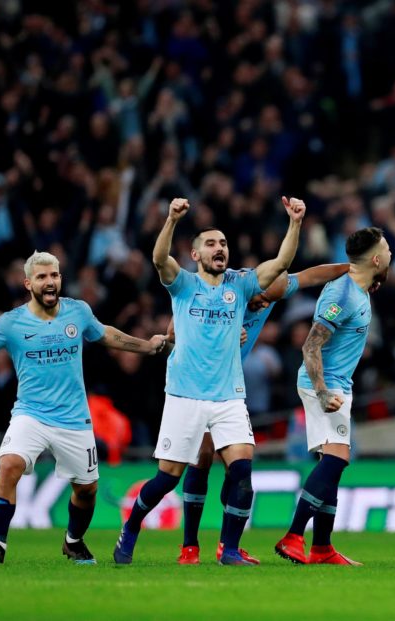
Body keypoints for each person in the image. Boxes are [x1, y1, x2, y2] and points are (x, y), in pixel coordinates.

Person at [114, 196, 304, 566]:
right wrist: (171, 219)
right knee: (167, 479)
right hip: (184, 396)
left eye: (224, 243)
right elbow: (159, 258)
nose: (220, 248)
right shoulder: (183, 284)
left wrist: (294, 222)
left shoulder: (241, 285)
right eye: (212, 244)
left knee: (243, 471)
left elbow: (281, 263)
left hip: (228, 397)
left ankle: (229, 550)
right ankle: (132, 525)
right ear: (195, 254)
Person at [0, 250, 167, 565]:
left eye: (54, 275)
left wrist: (146, 346)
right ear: (28, 283)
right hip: (30, 414)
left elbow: (106, 334)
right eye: (42, 277)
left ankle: (73, 541)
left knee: (87, 490)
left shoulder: (78, 311)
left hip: (74, 419)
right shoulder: (10, 323)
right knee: (8, 465)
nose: (49, 282)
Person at [175, 262, 350, 565]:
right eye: (261, 297)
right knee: (201, 457)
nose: (263, 304)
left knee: (237, 468)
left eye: (270, 300)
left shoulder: (274, 286)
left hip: (231, 388)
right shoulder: (224, 289)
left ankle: (226, 545)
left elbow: (312, 275)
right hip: (199, 381)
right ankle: (189, 546)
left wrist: (353, 266)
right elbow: (174, 329)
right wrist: (223, 331)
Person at [274, 226, 391, 566]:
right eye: (386, 249)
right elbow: (311, 345)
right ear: (375, 259)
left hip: (340, 384)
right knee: (337, 459)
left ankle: (322, 547)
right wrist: (323, 393)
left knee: (333, 466)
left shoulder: (359, 287)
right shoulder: (342, 295)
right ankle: (293, 535)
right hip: (323, 385)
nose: (390, 254)